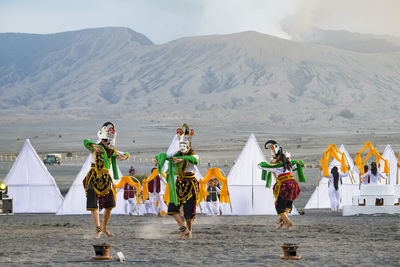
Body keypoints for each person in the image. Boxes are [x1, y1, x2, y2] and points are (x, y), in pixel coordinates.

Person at [82, 122, 129, 238]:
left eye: (110, 142)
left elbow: (126, 154)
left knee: (109, 206)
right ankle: (98, 229)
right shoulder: (95, 148)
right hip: (93, 178)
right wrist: (93, 145)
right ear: (103, 141)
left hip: (106, 179)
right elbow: (85, 142)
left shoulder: (112, 152)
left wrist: (125, 156)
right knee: (93, 205)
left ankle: (104, 228)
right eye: (107, 142)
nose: (109, 144)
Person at [154, 123, 199, 239]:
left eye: (186, 148)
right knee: (173, 209)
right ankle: (184, 230)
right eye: (182, 148)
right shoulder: (176, 154)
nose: (183, 151)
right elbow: (165, 155)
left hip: (190, 185)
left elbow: (194, 160)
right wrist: (157, 159)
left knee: (189, 213)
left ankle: (189, 233)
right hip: (178, 185)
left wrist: (181, 159)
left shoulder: (194, 156)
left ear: (189, 146)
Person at [258, 140, 306, 230]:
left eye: (274, 157)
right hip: (294, 186)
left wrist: (260, 164)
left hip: (285, 186)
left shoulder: (277, 165)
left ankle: (289, 223)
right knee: (288, 204)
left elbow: (264, 166)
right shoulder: (289, 165)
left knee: (279, 207)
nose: (273, 158)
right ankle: (281, 222)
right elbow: (300, 164)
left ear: (279, 157)